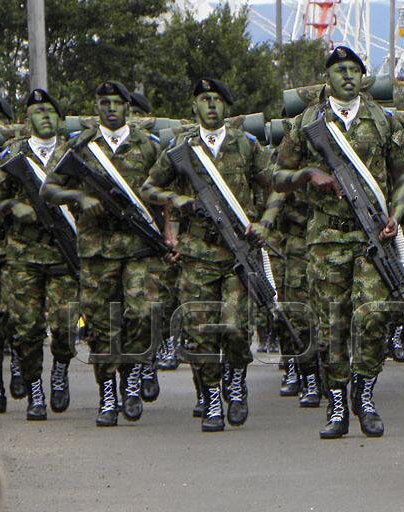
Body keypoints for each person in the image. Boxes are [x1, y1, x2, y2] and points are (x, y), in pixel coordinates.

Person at [273, 46, 404, 439]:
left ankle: (364, 393)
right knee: (331, 321)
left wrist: (396, 216)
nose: (347, 76)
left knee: (373, 316)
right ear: (327, 77)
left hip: (373, 235)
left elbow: (403, 176)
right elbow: (275, 175)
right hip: (327, 238)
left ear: (363, 78)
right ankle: (337, 402)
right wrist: (308, 176)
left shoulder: (383, 122)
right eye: (340, 70)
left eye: (354, 70)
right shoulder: (307, 123)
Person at [141, 78, 279, 432]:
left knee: (234, 327)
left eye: (217, 99)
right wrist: (178, 200)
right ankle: (212, 397)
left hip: (238, 254)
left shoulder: (245, 146)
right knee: (200, 333)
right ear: (195, 106)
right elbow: (149, 188)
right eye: (205, 99)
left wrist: (265, 221)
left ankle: (236, 380)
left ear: (226, 107)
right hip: (198, 255)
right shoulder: (180, 149)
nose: (212, 105)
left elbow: (274, 187)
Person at [41, 81, 164, 427]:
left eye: (117, 102)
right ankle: (108, 391)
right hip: (96, 251)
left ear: (128, 107)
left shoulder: (149, 146)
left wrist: (169, 233)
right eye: (104, 102)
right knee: (101, 324)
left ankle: (134, 376)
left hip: (140, 247)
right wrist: (78, 199)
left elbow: (167, 189)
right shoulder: (80, 147)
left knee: (142, 313)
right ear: (97, 106)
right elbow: (48, 188)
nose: (110, 108)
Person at [0, 89, 78, 420]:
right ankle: (34, 389)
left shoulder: (72, 154)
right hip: (23, 255)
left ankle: (60, 368)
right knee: (26, 328)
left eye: (49, 110)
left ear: (58, 118)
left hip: (63, 253)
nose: (43, 116)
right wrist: (15, 206)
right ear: (27, 118)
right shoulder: (12, 155)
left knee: (64, 325)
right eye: (36, 111)